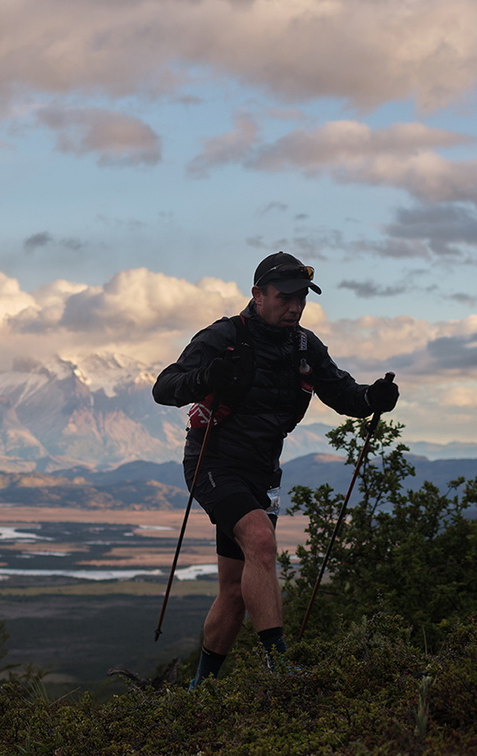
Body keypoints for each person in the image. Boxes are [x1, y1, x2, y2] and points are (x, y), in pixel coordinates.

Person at [152, 251, 399, 687]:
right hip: (213, 462)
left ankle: (198, 691)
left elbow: (341, 392)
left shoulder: (304, 345)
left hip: (263, 472)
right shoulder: (223, 336)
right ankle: (281, 667)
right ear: (258, 295)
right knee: (261, 542)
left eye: (302, 298)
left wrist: (371, 400)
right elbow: (164, 387)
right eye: (285, 297)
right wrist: (208, 376)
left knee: (234, 591)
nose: (295, 306)